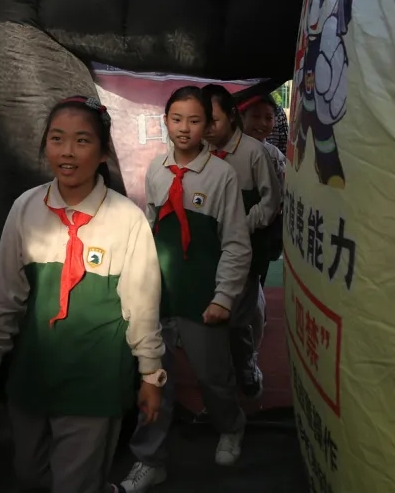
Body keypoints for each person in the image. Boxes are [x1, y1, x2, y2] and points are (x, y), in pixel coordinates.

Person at [0, 96, 165, 493]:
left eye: (82, 141)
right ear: (45, 145)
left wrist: (150, 374)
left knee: (73, 484)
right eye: (57, 139)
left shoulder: (126, 219)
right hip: (33, 373)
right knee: (29, 473)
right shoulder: (26, 208)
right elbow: (7, 294)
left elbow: (142, 305)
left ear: (102, 153)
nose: (67, 151)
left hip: (95, 380)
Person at [121, 87, 253, 493]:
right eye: (176, 119)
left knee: (214, 377)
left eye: (195, 120)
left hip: (203, 298)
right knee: (154, 376)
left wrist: (223, 297)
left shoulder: (222, 176)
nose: (184, 128)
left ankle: (231, 426)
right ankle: (150, 459)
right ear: (165, 121)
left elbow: (236, 243)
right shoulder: (157, 171)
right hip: (161, 296)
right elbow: (150, 232)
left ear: (208, 126)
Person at [202, 84, 278, 401]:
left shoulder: (255, 153)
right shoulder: (199, 151)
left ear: (231, 117)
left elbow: (272, 201)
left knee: (240, 315)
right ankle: (219, 374)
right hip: (207, 249)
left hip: (245, 248)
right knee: (212, 313)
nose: (202, 128)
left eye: (211, 120)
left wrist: (239, 227)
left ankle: (246, 367)